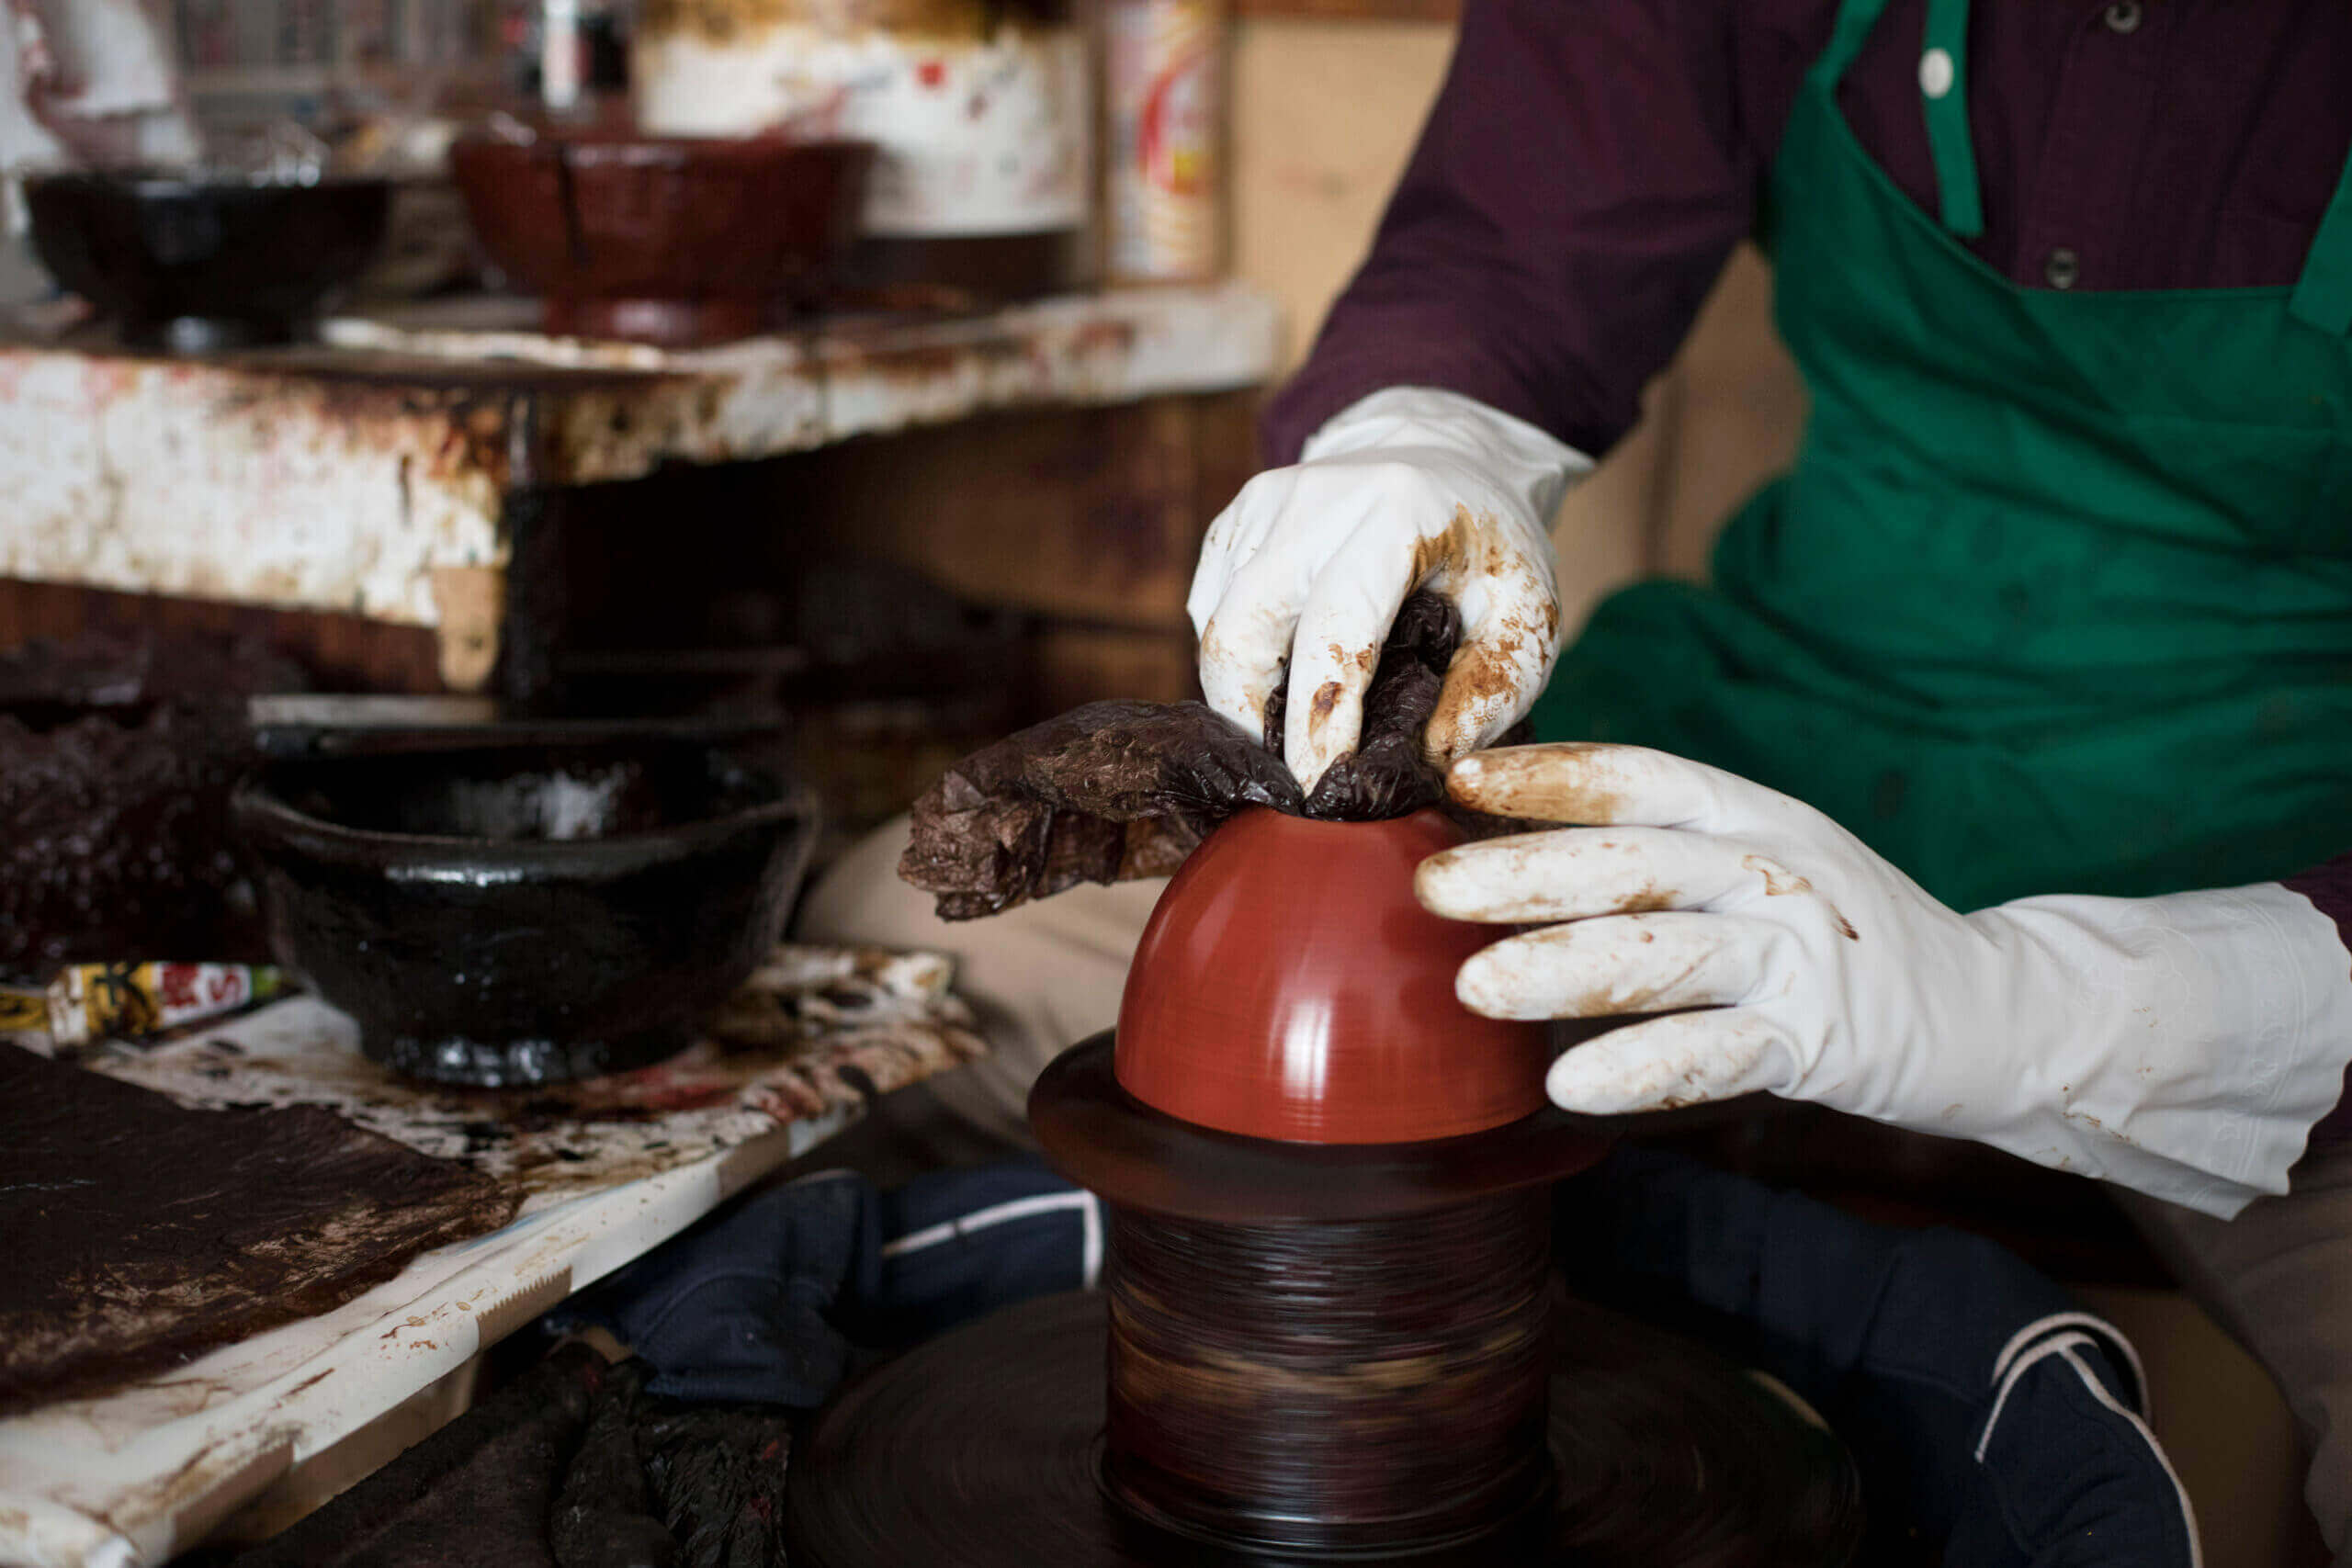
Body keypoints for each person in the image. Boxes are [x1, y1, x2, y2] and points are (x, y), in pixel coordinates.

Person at [804, 0, 2352, 1552]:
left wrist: (2058, 1011)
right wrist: (1423, 437)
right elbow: (1512, 236)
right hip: (1796, 728)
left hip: (2282, 871)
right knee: (900, 971)